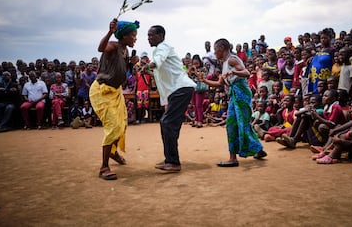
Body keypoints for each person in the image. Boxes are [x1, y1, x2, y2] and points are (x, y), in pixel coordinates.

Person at [199, 38, 267, 167]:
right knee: (233, 124)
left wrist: (234, 72)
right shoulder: (225, 63)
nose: (214, 52)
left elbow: (246, 73)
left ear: (222, 49)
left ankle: (239, 156)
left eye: (215, 49)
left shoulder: (231, 59)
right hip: (234, 94)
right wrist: (204, 81)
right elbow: (219, 83)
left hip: (241, 93)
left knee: (241, 123)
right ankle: (250, 151)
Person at [89, 18, 138, 180]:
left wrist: (130, 65)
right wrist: (110, 31)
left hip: (116, 92)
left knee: (122, 123)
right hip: (102, 91)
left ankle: (113, 152)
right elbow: (100, 48)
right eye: (133, 35)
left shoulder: (125, 51)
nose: (135, 38)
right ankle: (104, 168)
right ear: (124, 36)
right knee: (113, 126)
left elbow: (121, 74)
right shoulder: (114, 46)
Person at [147, 25, 196, 172]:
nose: (148, 38)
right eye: (148, 35)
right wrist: (148, 70)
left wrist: (150, 66)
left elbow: (157, 62)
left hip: (181, 88)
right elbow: (160, 72)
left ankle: (173, 162)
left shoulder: (164, 46)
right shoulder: (158, 50)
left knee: (167, 122)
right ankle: (170, 159)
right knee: (168, 124)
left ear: (161, 35)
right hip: (177, 90)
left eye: (151, 35)